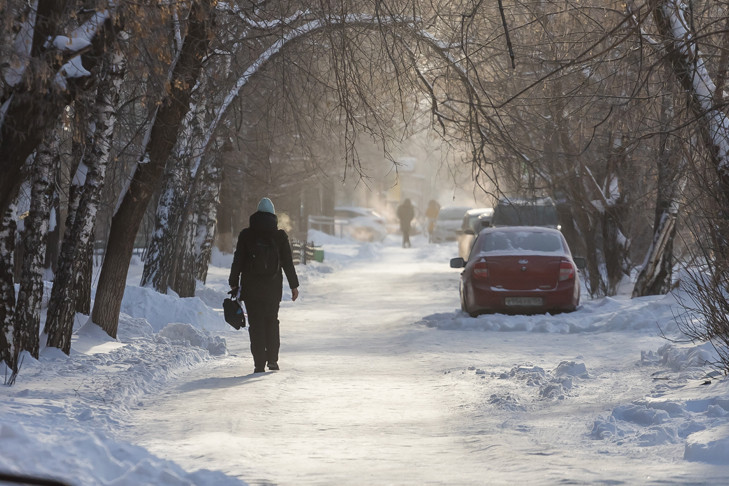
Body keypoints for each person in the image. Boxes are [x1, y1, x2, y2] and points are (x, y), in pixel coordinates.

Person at [229, 197, 300, 373]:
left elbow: (238, 260)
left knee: (256, 324)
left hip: (251, 288)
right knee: (271, 321)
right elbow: (287, 263)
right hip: (273, 288)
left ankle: (259, 364)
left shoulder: (246, 235)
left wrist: (233, 282)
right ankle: (273, 361)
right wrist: (294, 285)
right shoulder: (280, 236)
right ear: (273, 215)